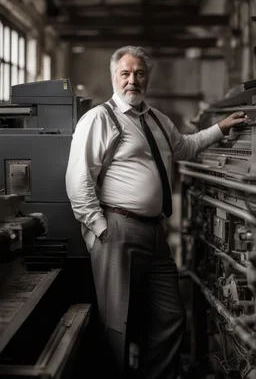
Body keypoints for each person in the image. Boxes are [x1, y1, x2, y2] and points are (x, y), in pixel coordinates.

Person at [65, 45, 247, 379]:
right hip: (117, 229)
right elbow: (79, 180)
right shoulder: (99, 119)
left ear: (147, 76)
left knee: (170, 316)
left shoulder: (157, 119)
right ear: (114, 77)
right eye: (125, 73)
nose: (132, 80)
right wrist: (101, 228)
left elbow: (185, 147)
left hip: (154, 232)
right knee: (117, 323)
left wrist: (220, 128)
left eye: (139, 73)